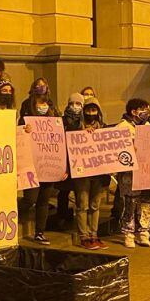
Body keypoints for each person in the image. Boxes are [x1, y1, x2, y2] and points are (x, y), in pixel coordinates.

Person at [117, 98, 150, 248]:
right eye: (143, 110)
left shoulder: (149, 127)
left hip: (148, 171)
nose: (146, 113)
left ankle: (144, 232)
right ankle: (128, 233)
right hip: (129, 174)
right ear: (133, 112)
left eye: (147, 110)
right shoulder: (123, 127)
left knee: (147, 202)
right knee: (130, 203)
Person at [19, 92, 56, 244]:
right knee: (29, 199)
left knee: (43, 201)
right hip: (31, 166)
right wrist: (24, 130)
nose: (43, 107)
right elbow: (19, 138)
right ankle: (12, 218)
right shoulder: (25, 121)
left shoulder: (54, 122)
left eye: (45, 104)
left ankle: (40, 232)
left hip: (48, 166)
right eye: (40, 104)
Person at [74, 96, 108, 249]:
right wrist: (83, 133)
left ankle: (94, 234)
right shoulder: (77, 126)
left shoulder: (104, 128)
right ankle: (84, 236)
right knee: (83, 204)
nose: (91, 113)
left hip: (99, 173)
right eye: (88, 110)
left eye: (93, 110)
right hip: (83, 173)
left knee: (95, 205)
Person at [54, 91, 85, 228]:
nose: (74, 106)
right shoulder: (61, 121)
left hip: (80, 162)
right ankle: (62, 216)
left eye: (78, 104)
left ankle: (80, 221)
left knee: (80, 193)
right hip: (65, 161)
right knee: (64, 192)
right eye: (72, 103)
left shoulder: (85, 122)